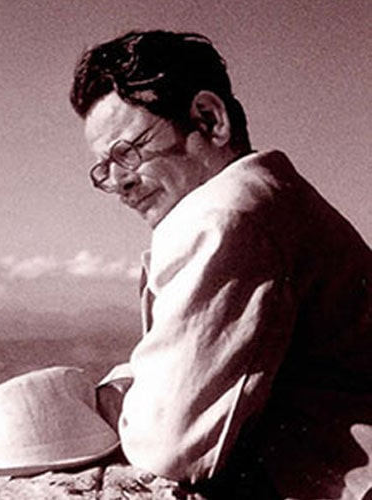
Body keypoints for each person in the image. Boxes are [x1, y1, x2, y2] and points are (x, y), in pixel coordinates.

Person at [70, 30, 371, 499]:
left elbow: (168, 445)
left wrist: (107, 404)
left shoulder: (224, 216)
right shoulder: (271, 197)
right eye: (104, 168)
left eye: (126, 152)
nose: (120, 182)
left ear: (209, 120)